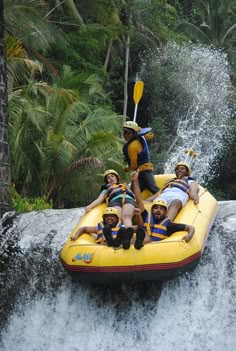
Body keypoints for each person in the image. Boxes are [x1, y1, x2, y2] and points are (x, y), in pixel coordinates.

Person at [131, 170, 195, 244]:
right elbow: (138, 199)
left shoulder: (168, 225)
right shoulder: (146, 216)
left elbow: (190, 227)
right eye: (156, 208)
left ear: (165, 212)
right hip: (140, 240)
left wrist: (190, 235)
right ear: (151, 210)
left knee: (146, 237)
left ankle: (136, 241)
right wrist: (135, 180)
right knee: (137, 228)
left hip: (153, 246)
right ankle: (123, 239)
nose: (158, 210)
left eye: (161, 209)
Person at [85, 169, 137, 237]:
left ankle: (129, 235)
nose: (111, 178)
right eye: (108, 178)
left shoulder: (126, 186)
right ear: (107, 181)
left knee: (127, 216)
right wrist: (90, 206)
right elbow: (100, 199)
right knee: (118, 218)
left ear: (116, 177)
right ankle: (118, 236)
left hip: (128, 199)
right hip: (115, 201)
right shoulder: (106, 189)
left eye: (112, 176)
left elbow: (136, 193)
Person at [71, 207, 144, 250]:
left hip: (119, 247)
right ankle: (110, 241)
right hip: (104, 248)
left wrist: (138, 215)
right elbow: (84, 228)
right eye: (107, 216)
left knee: (125, 231)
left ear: (117, 218)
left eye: (112, 216)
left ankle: (124, 242)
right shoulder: (99, 228)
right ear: (104, 218)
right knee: (106, 229)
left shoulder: (122, 227)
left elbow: (140, 227)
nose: (109, 218)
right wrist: (75, 236)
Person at [122, 121, 159, 194]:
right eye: (125, 133)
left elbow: (133, 165)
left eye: (129, 133)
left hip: (144, 170)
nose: (126, 135)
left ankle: (164, 201)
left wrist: (127, 168)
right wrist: (141, 130)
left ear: (134, 133)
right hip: (139, 172)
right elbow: (151, 135)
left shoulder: (132, 147)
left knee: (154, 189)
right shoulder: (142, 136)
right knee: (133, 192)